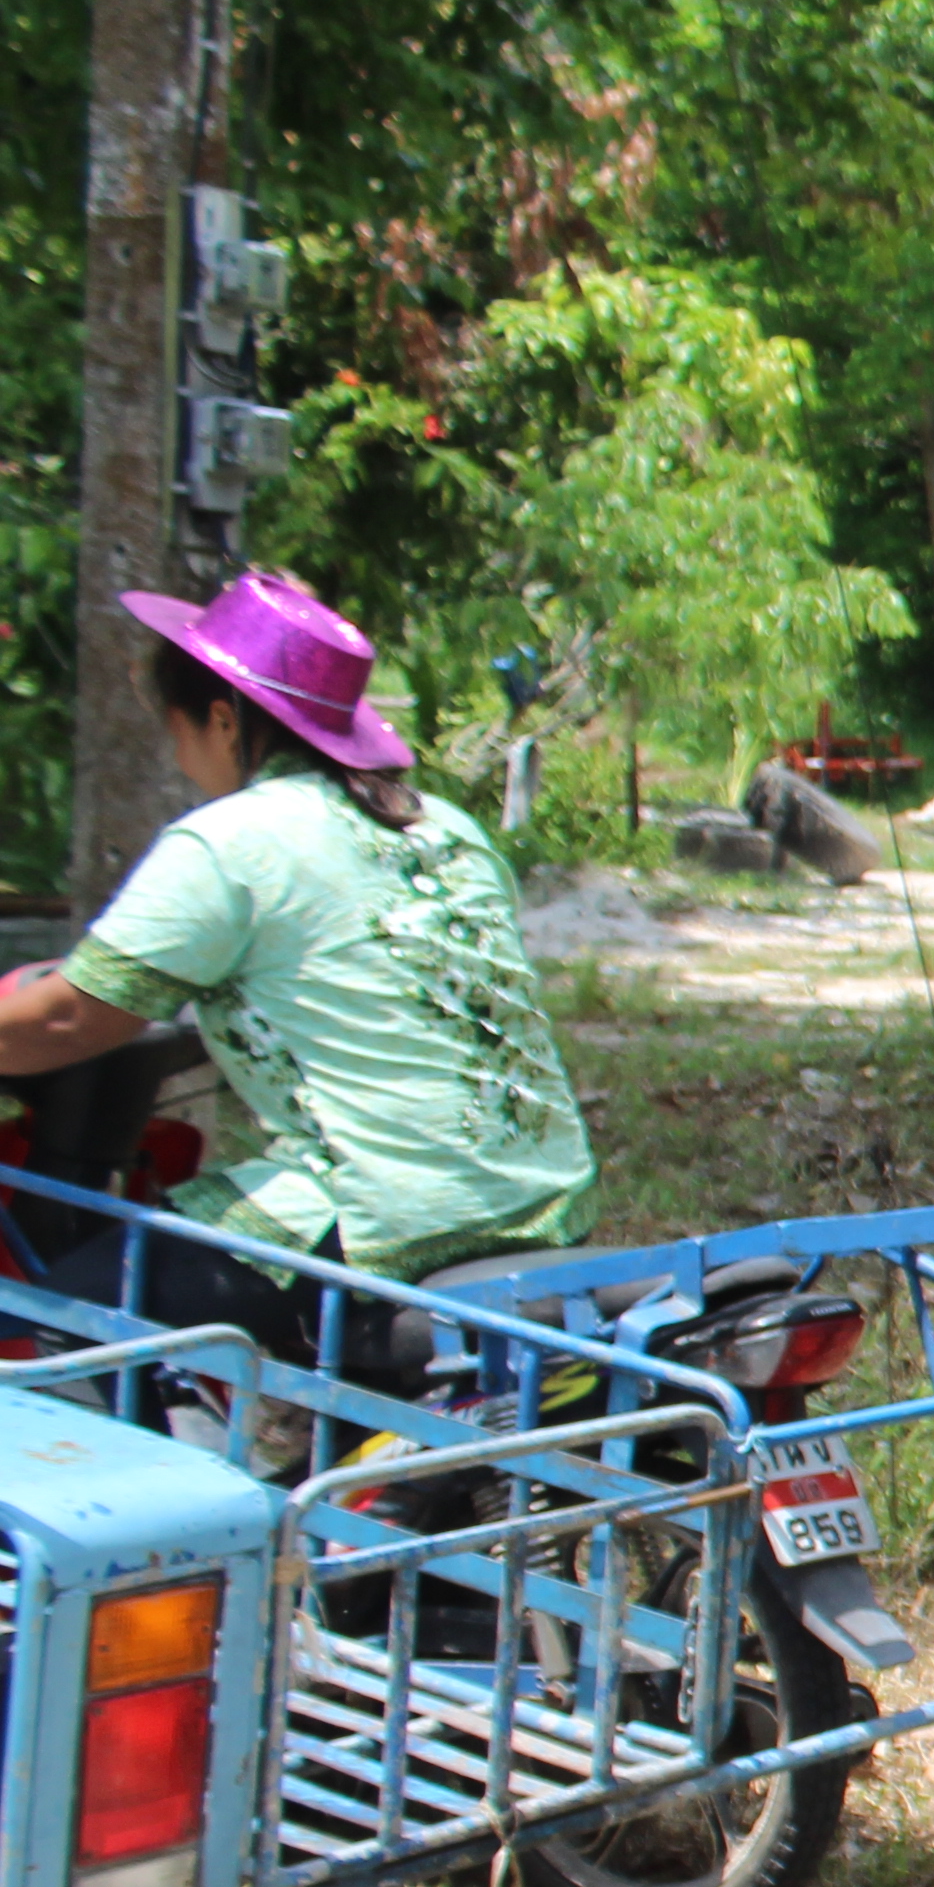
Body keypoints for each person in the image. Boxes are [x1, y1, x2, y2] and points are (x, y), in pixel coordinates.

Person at [0, 573, 599, 1348]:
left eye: (176, 727)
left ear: (223, 719)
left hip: (379, 1219)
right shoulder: (449, 829)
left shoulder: (234, 840)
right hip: (544, 1204)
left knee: (47, 1326)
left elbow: (70, 1016)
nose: (179, 754)